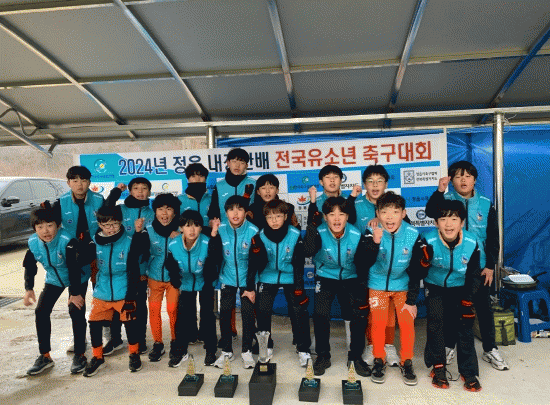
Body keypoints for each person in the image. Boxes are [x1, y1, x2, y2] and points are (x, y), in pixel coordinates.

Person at [425, 161, 508, 371]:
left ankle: (490, 348)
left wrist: (490, 266)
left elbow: (493, 237)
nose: (463, 180)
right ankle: (449, 346)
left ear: (475, 180)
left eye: (468, 176)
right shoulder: (446, 201)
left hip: (479, 267)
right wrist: (439, 191)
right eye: (458, 176)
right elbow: (430, 211)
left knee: (483, 308)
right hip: (453, 268)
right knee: (453, 311)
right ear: (452, 180)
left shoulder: (486, 203)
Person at [363, 192, 431, 385]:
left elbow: (417, 270)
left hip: (402, 285)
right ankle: (379, 359)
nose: (390, 217)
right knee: (378, 322)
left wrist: (412, 300)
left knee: (407, 322)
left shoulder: (413, 234)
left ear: (403, 213)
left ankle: (406, 361)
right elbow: (364, 262)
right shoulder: (371, 231)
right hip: (377, 283)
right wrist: (375, 242)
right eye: (384, 212)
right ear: (377, 214)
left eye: (395, 212)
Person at [304, 196, 370, 377]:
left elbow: (362, 264)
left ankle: (355, 357)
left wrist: (361, 288)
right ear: (325, 217)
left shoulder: (356, 235)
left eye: (341, 214)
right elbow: (307, 251)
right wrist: (311, 226)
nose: (337, 219)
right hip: (326, 276)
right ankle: (323, 356)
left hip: (350, 277)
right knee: (320, 313)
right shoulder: (318, 232)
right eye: (331, 214)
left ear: (347, 216)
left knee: (358, 314)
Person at [423, 199, 483, 392]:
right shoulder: (428, 240)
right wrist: (422, 262)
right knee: (436, 323)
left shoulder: (471, 242)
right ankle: (438, 368)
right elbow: (417, 272)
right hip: (435, 286)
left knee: (465, 326)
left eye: (454, 219)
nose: (448, 224)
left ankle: (469, 372)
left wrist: (468, 298)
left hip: (460, 287)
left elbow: (474, 274)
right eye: (443, 219)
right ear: (436, 223)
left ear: (462, 222)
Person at [23, 205, 91, 375]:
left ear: (58, 225)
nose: (45, 231)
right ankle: (45, 356)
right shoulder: (33, 242)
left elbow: (74, 267)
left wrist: (75, 293)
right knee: (41, 311)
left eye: (50, 225)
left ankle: (80, 354)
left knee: (75, 309)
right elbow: (30, 265)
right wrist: (29, 288)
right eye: (40, 227)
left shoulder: (68, 241)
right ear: (35, 229)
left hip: (78, 276)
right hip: (54, 278)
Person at [248, 199, 312, 367]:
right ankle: (266, 346)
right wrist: (257, 253)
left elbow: (298, 264)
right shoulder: (260, 235)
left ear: (285, 216)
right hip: (268, 276)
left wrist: (299, 287)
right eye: (270, 217)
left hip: (290, 275)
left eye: (278, 216)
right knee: (262, 309)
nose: (274, 221)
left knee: (298, 310)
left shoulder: (295, 234)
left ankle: (303, 348)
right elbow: (255, 264)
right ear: (265, 219)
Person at [352, 164, 402, 367]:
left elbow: (403, 227)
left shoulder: (393, 203)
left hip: (387, 267)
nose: (375, 185)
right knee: (369, 309)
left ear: (386, 184)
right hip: (362, 265)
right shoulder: (355, 205)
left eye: (379, 181)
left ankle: (388, 345)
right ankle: (372, 344)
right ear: (364, 184)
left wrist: (382, 216)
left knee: (388, 311)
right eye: (370, 181)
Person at [83, 206, 142, 377]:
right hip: (102, 289)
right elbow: (83, 260)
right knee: (94, 323)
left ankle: (134, 354)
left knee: (130, 323)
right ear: (99, 225)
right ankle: (97, 357)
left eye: (115, 224)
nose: (111, 228)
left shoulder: (129, 241)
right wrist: (80, 247)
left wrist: (130, 297)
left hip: (123, 289)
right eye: (106, 225)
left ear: (121, 222)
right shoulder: (94, 241)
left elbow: (134, 271)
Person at [50, 165, 104, 353]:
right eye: (75, 180)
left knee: (104, 297)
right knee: (76, 300)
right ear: (68, 183)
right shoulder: (61, 203)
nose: (79, 184)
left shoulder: (99, 200)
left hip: (97, 255)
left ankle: (110, 336)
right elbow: (52, 229)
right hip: (74, 258)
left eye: (83, 180)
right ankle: (80, 339)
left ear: (89, 182)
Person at [307, 165, 360, 352]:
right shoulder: (316, 202)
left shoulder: (347, 203)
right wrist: (313, 202)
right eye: (327, 177)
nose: (332, 180)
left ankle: (352, 344)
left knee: (352, 310)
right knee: (321, 312)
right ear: (321, 181)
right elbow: (311, 238)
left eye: (335, 177)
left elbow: (351, 223)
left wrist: (352, 198)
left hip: (348, 267)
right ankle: (321, 346)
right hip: (325, 265)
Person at [103, 177, 155, 355]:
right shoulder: (120, 209)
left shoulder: (152, 213)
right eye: (136, 188)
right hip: (118, 266)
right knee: (115, 303)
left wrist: (145, 269)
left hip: (140, 267)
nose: (140, 191)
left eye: (144, 188)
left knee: (139, 304)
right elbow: (105, 210)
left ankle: (140, 340)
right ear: (130, 191)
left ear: (149, 192)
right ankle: (115, 339)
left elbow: (151, 244)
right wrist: (116, 191)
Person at [209, 195, 259, 369]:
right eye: (231, 210)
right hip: (227, 277)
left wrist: (250, 287)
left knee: (247, 313)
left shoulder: (253, 230)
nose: (235, 213)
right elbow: (214, 255)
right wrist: (213, 234)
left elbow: (255, 261)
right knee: (225, 312)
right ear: (226, 213)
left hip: (247, 277)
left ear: (246, 212)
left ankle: (246, 351)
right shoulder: (221, 229)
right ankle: (226, 351)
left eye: (240, 209)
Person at [165, 210, 218, 367]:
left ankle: (211, 350)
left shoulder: (207, 242)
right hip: (186, 283)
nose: (192, 230)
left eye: (196, 225)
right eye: (188, 226)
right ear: (181, 228)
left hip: (205, 282)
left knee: (207, 316)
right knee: (183, 317)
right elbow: (170, 264)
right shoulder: (173, 244)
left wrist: (209, 281)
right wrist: (175, 279)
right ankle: (180, 351)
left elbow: (214, 263)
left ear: (201, 227)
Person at [132, 193, 181, 363]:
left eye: (169, 209)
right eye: (160, 209)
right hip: (154, 278)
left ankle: (175, 342)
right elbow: (137, 251)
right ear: (155, 212)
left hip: (174, 279)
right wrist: (138, 232)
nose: (164, 213)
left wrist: (181, 237)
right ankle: (158, 343)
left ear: (175, 212)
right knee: (154, 310)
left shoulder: (181, 229)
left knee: (173, 310)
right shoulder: (149, 230)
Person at [207, 147, 256, 222]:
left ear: (246, 165)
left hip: (248, 227)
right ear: (228, 163)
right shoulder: (219, 186)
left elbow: (259, 206)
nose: (237, 165)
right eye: (234, 161)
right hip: (225, 227)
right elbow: (213, 211)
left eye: (242, 163)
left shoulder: (254, 184)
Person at [178, 163, 212, 228]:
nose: (197, 179)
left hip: (209, 234)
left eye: (201, 176)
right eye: (193, 176)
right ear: (188, 179)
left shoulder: (212, 199)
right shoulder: (179, 200)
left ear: (205, 178)